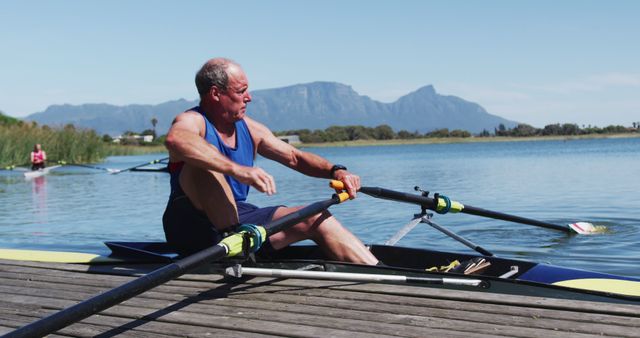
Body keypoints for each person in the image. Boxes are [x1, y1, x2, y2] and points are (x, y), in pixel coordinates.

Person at [163, 58, 379, 265]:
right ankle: (234, 242)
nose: (249, 97)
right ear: (216, 94)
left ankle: (380, 271)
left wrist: (337, 171)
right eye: (241, 91)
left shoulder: (249, 128)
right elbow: (176, 139)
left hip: (238, 217)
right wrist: (238, 170)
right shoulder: (192, 121)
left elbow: (295, 158)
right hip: (191, 229)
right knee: (203, 164)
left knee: (316, 217)